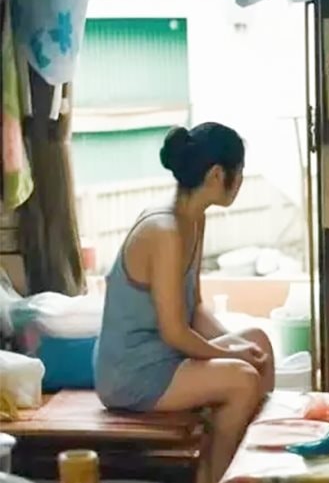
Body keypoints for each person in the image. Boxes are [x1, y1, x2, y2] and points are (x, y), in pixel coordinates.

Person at [94, 123, 274, 483]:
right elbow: (175, 332)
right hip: (132, 371)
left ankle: (238, 463)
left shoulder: (193, 218)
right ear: (217, 174)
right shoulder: (165, 231)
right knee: (241, 379)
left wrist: (236, 347)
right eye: (239, 172)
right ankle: (217, 476)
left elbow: (196, 309)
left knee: (259, 343)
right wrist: (230, 355)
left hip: (166, 356)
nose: (240, 180)